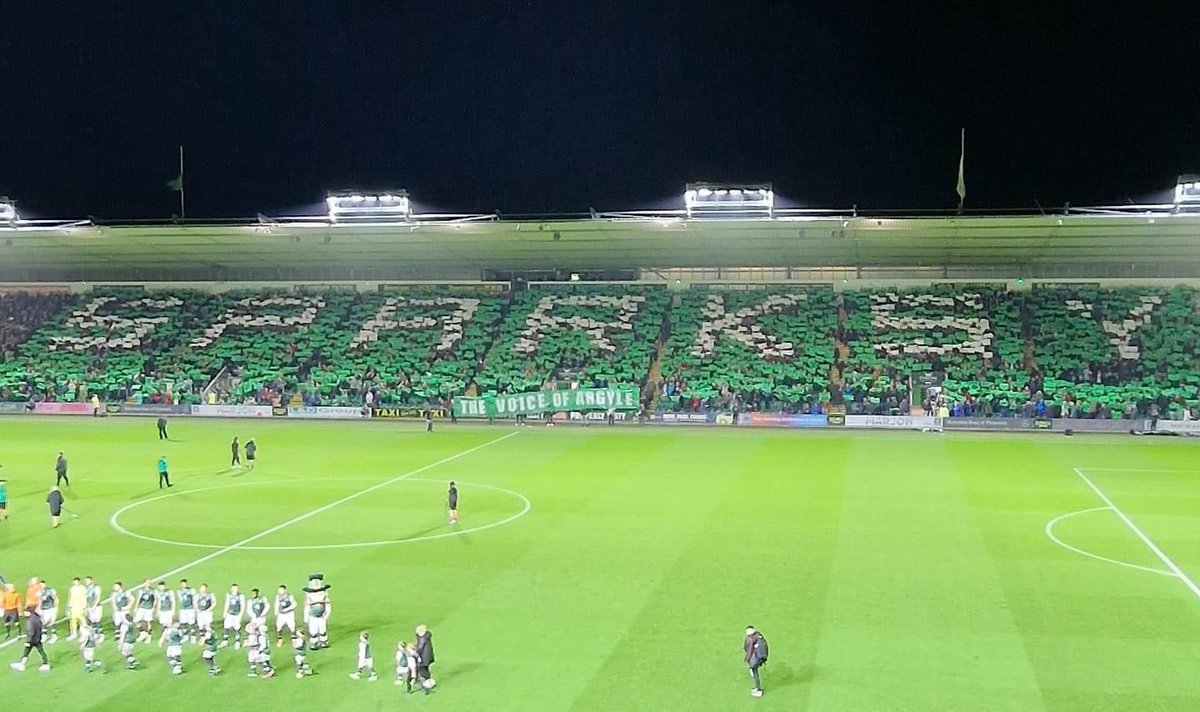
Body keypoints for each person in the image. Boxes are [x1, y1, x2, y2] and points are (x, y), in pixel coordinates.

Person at [9, 606, 50, 672]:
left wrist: (28, 641)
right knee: (40, 651)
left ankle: (22, 664)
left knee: (27, 652)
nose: (24, 614)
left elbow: (31, 632)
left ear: (29, 612)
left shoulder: (30, 621)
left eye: (26, 612)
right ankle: (46, 664)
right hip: (37, 638)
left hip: (32, 640)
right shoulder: (37, 618)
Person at [744, 626, 769, 698]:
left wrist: (747, 659)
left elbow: (748, 650)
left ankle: (758, 689)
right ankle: (757, 688)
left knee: (755, 674)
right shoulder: (758, 636)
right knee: (755, 674)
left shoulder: (751, 639)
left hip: (754, 660)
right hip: (758, 658)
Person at [222, 583, 245, 649]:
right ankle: (225, 641)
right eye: (233, 588)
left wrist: (241, 614)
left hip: (237, 614)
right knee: (226, 626)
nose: (235, 589)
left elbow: (242, 605)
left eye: (236, 588)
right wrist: (225, 612)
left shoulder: (241, 596)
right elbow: (227, 603)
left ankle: (237, 642)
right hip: (229, 613)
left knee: (237, 628)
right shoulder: (228, 595)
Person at [414, 624, 435, 692]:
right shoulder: (427, 636)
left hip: (424, 657)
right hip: (428, 656)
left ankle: (428, 681)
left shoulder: (423, 638)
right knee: (425, 668)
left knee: (422, 668)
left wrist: (415, 652)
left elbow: (420, 648)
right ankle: (428, 681)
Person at [67, 577, 86, 641]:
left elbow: (84, 597)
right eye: (74, 582)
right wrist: (69, 606)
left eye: (76, 582)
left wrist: (84, 607)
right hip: (73, 607)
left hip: (80, 607)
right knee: (73, 621)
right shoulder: (72, 589)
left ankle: (83, 634)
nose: (75, 583)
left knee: (82, 621)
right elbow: (70, 597)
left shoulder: (82, 588)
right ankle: (74, 634)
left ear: (79, 582)